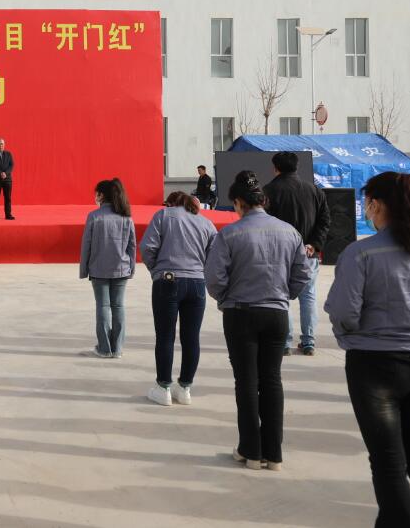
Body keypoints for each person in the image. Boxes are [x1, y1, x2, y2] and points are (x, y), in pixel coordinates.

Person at [205, 171, 311, 471]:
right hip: (276, 314)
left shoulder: (229, 234)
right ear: (263, 200)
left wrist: (225, 298)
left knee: (247, 382)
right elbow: (303, 274)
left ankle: (251, 450)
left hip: (241, 313)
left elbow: (214, 278)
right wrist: (283, 295)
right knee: (272, 380)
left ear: (239, 202)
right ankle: (273, 453)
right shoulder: (289, 232)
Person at [325, 172, 410, 525]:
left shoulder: (360, 253)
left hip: (373, 365)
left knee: (388, 461)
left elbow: (345, 312)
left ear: (375, 205)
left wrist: (350, 337)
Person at [140, 191, 218, 406]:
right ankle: (184, 388)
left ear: (171, 203)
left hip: (168, 279)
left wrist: (156, 270)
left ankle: (163, 387)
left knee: (165, 336)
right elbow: (215, 255)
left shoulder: (163, 216)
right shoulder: (206, 223)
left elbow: (147, 247)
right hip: (197, 283)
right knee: (191, 337)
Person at [263, 151, 331, 356]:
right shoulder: (314, 190)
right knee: (308, 295)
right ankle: (308, 341)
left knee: (281, 296)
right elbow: (325, 220)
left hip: (279, 255)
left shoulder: (269, 191)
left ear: (275, 168)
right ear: (296, 167)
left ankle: (285, 342)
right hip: (308, 253)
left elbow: (264, 224)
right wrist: (314, 244)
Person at [79, 178, 136, 359]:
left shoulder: (94, 216)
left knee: (103, 306)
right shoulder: (126, 217)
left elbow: (86, 245)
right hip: (121, 268)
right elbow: (132, 246)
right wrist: (131, 268)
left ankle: (104, 348)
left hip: (99, 268)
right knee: (118, 306)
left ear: (102, 195)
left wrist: (84, 269)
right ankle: (117, 348)